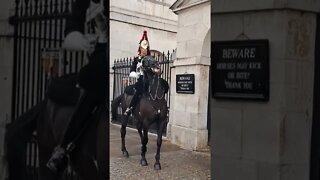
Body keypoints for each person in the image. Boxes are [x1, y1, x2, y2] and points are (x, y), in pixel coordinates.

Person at [46, 0, 107, 174]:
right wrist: (86, 40)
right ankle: (63, 148)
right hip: (100, 58)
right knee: (91, 79)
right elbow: (71, 30)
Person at [124, 31, 151, 115]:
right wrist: (137, 74)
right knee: (139, 89)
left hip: (150, 79)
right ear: (140, 49)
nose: (145, 50)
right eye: (143, 48)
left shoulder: (150, 59)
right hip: (141, 79)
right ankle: (130, 107)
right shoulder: (136, 60)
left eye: (146, 49)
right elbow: (131, 72)